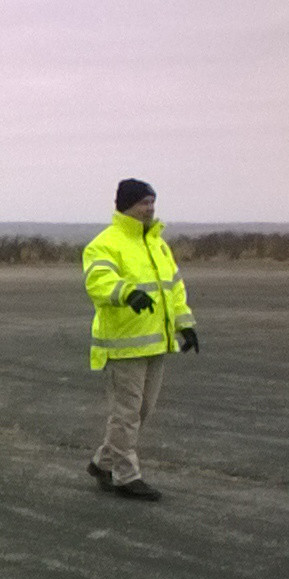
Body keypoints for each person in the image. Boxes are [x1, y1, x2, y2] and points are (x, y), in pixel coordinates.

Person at [81, 179, 198, 501]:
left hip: (156, 342)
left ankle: (102, 463)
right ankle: (125, 476)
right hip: (124, 343)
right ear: (126, 205)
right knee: (126, 414)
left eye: (152, 202)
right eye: (144, 203)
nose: (150, 209)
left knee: (141, 412)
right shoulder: (105, 244)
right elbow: (98, 281)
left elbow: (174, 288)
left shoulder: (157, 244)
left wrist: (185, 323)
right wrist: (125, 294)